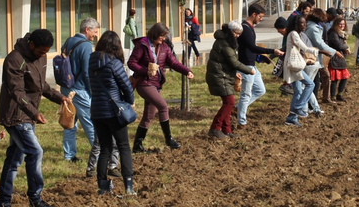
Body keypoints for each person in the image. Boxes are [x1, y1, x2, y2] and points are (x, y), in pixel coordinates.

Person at [0, 29, 65, 207]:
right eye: (41, 51)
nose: (44, 56)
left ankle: (2, 202)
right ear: (31, 44)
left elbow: (41, 85)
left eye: (46, 52)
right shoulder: (14, 60)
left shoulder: (40, 57)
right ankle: (36, 199)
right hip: (16, 115)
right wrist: (34, 113)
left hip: (28, 114)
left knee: (14, 158)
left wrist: (60, 98)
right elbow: (16, 92)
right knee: (35, 152)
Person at [127, 23, 193, 152]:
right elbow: (131, 63)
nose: (164, 39)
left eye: (165, 37)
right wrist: (145, 70)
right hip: (144, 82)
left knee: (149, 115)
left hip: (156, 83)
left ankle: (137, 145)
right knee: (163, 106)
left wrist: (186, 71)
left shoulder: (164, 47)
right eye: (162, 36)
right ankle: (168, 139)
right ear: (155, 33)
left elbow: (173, 62)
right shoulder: (142, 45)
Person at [89, 30, 136, 197]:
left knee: (104, 149)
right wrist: (130, 100)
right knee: (124, 146)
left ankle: (102, 187)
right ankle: (128, 186)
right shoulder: (114, 63)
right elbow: (126, 86)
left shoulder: (92, 61)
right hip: (114, 112)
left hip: (96, 111)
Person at [59, 18, 100, 172]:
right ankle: (99, 154)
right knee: (90, 122)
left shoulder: (69, 40)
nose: (95, 35)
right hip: (80, 90)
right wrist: (93, 91)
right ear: (87, 29)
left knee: (70, 122)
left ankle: (69, 155)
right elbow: (88, 72)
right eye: (95, 32)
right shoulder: (86, 46)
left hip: (66, 88)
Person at [235, 3, 284, 128]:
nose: (261, 19)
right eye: (260, 16)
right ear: (254, 14)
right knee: (245, 94)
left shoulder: (249, 27)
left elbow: (251, 47)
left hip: (252, 65)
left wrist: (261, 57)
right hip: (246, 66)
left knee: (260, 90)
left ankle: (238, 108)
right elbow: (252, 47)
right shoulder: (245, 28)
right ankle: (242, 121)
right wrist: (272, 51)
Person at [206, 20, 255, 139]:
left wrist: (234, 74)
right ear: (230, 31)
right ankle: (215, 128)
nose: (237, 36)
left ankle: (226, 130)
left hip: (225, 75)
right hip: (219, 76)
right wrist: (249, 70)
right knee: (230, 102)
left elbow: (227, 62)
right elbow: (233, 62)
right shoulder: (224, 43)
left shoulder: (227, 41)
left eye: (239, 34)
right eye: (236, 33)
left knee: (228, 103)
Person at [283, 14, 318, 127]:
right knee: (310, 84)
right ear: (296, 24)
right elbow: (305, 47)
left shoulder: (296, 34)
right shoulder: (293, 34)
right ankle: (298, 108)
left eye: (305, 22)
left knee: (298, 91)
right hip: (294, 67)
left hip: (294, 66)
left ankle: (291, 119)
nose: (305, 25)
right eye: (302, 23)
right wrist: (319, 52)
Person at [305, 8, 338, 110]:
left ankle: (312, 106)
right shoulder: (313, 28)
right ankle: (308, 106)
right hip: (311, 58)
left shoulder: (314, 26)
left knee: (314, 82)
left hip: (315, 58)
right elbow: (320, 44)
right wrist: (335, 52)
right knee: (311, 83)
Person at [325, 15, 351, 101]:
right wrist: (346, 47)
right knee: (335, 79)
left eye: (343, 24)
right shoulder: (333, 33)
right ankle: (332, 96)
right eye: (340, 24)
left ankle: (339, 94)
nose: (342, 26)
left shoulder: (341, 34)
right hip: (334, 58)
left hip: (341, 58)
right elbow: (338, 45)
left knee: (344, 77)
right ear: (336, 24)